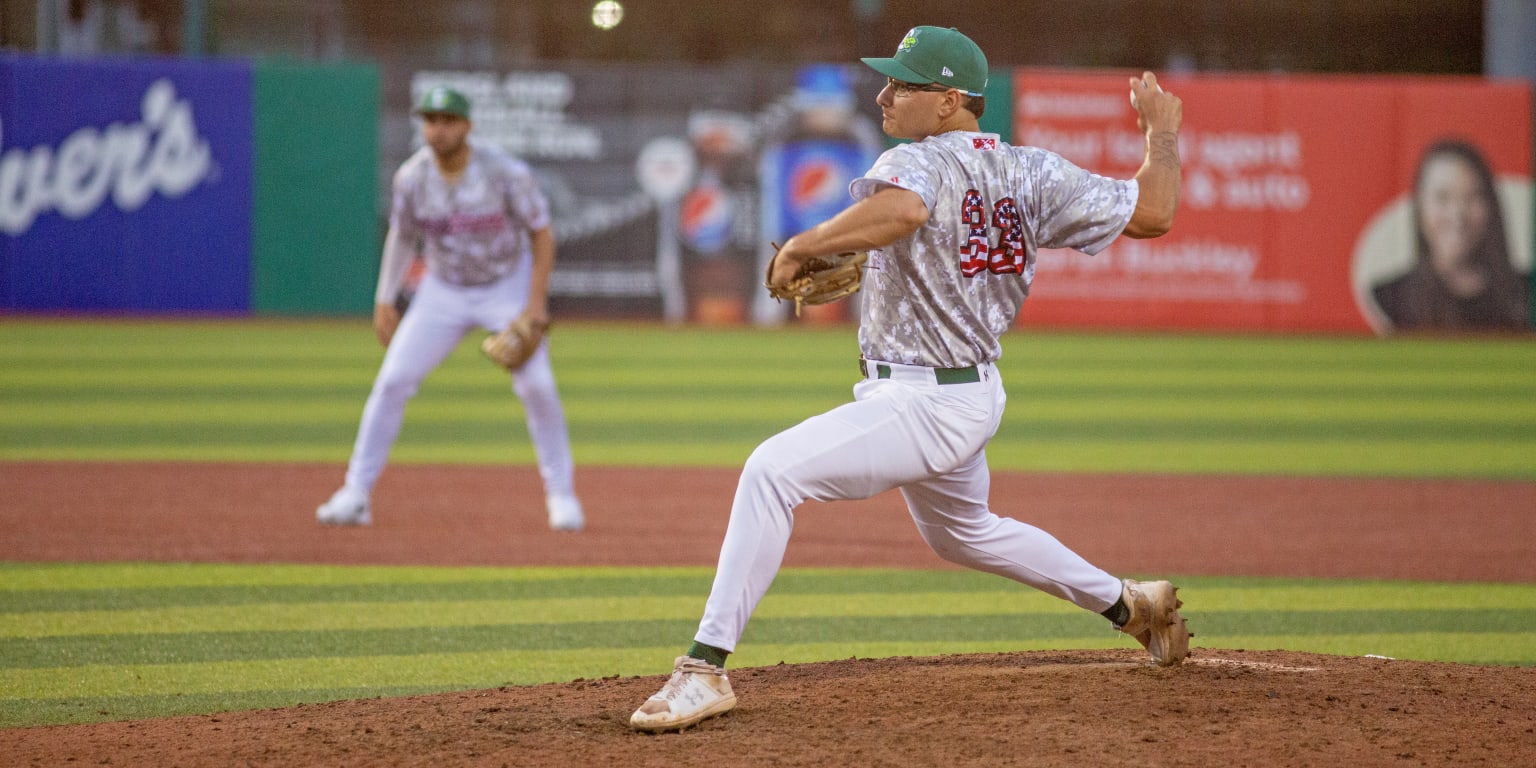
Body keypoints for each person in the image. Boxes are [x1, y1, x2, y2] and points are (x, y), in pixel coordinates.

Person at [629, 26, 1188, 732]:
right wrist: (1161, 134)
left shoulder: (918, 160)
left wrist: (805, 241)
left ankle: (703, 669)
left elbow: (904, 210)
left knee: (771, 472)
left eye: (904, 84)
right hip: (970, 389)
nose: (884, 95)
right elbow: (1155, 211)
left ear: (951, 101)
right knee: (965, 534)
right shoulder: (1035, 172)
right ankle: (1129, 604)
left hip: (924, 400)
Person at [316, 86, 585, 532]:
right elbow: (403, 235)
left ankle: (562, 496)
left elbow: (541, 233)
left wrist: (535, 304)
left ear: (467, 126)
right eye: (430, 120)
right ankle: (355, 493)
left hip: (505, 284)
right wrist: (386, 296)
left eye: (447, 120)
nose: (438, 130)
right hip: (442, 289)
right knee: (393, 380)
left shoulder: (504, 172)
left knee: (537, 384)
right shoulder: (412, 178)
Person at [1372, 140, 1531, 331]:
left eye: (1473, 197)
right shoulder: (1390, 297)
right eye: (1442, 197)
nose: (1458, 215)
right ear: (1420, 207)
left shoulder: (1526, 293)